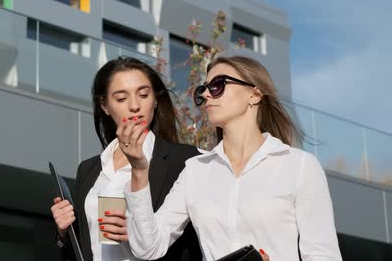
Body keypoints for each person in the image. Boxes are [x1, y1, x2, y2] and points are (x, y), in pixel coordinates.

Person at [122, 55, 342, 261]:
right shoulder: (195, 170)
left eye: (218, 85)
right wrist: (139, 171)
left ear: (254, 95)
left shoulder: (299, 166)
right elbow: (148, 248)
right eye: (204, 89)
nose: (206, 95)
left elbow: (323, 255)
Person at [50, 56, 202, 261]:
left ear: (155, 100)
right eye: (121, 98)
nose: (134, 106)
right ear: (105, 106)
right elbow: (84, 248)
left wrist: (140, 234)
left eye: (143, 95)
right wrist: (64, 232)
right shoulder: (89, 169)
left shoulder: (186, 160)